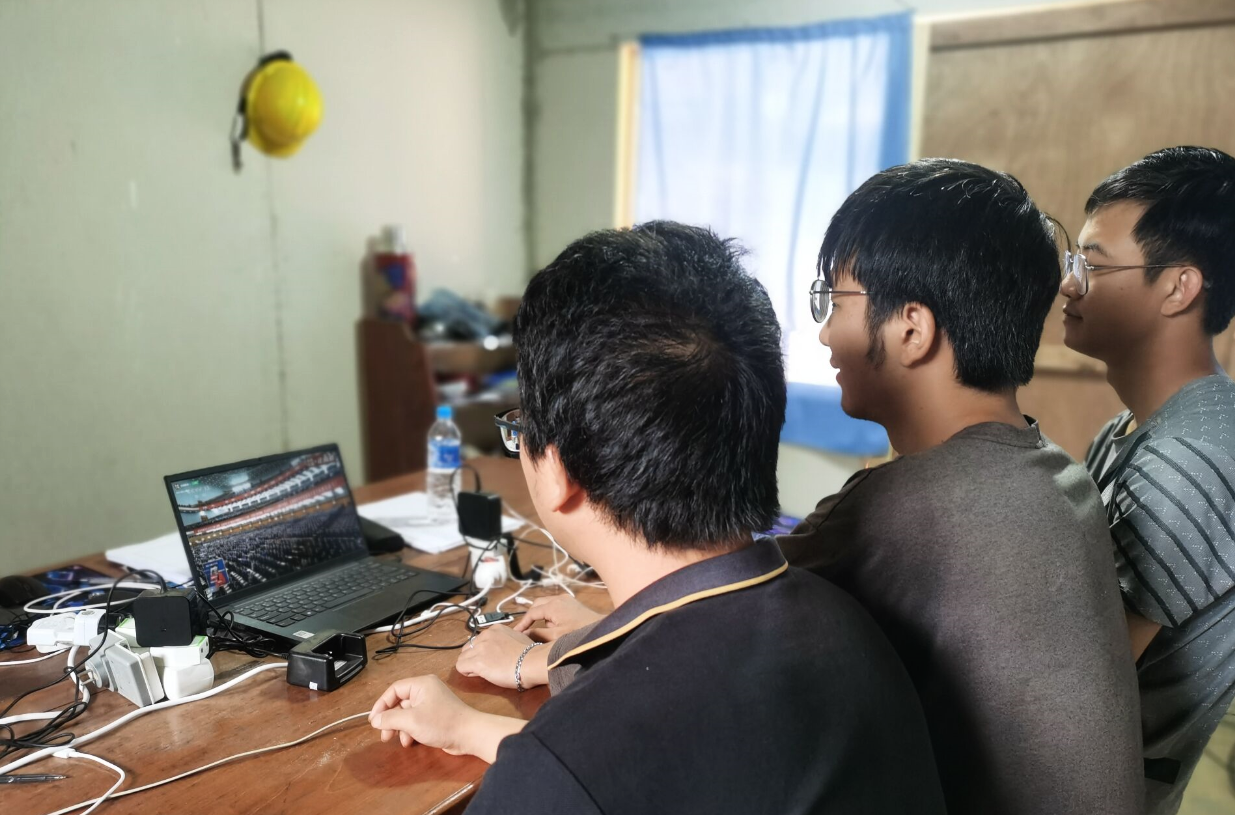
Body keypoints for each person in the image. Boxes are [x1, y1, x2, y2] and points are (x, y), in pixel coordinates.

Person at [369, 221, 946, 814]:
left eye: (521, 430)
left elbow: (601, 774)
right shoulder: (853, 627)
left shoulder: (557, 775)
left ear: (558, 472)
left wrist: (517, 750)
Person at [774, 159, 1143, 814]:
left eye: (835, 301)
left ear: (911, 329)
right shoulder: (1063, 476)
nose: (825, 332)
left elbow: (708, 611)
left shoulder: (900, 505)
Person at [1061, 146, 1235, 815]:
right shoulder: (1132, 428)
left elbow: (1078, 681)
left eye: (1094, 265)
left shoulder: (1188, 458)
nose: (1069, 284)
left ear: (1178, 288)